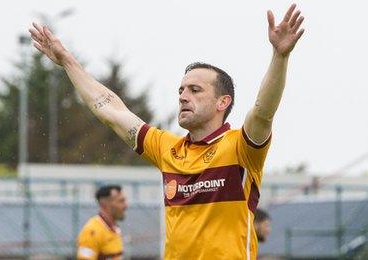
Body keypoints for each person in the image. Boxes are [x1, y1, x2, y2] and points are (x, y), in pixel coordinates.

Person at [29, 4, 304, 259]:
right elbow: (111, 111)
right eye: (181, 90)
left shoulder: (241, 148)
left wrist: (280, 57)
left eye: (195, 90)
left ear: (223, 102)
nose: (183, 96)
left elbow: (263, 111)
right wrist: (67, 61)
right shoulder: (166, 148)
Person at [77, 185, 128, 260]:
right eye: (121, 201)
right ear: (105, 204)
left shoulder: (114, 228)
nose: (126, 206)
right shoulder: (92, 231)